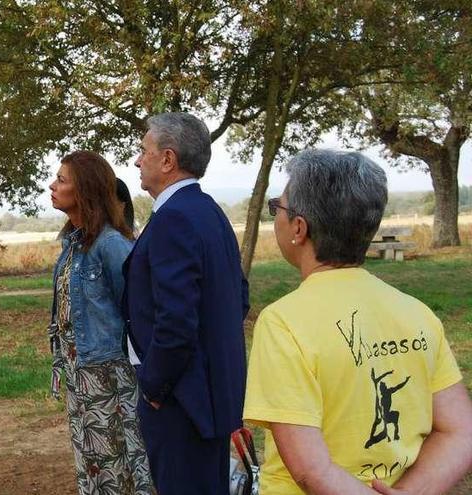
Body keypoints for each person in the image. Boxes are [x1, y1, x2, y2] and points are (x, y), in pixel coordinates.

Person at [243, 149, 472, 494]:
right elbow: (461, 432)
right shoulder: (417, 312)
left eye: (278, 207)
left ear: (299, 228)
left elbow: (310, 469)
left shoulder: (283, 323)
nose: (276, 215)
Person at [123, 112, 249, 494]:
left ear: (167, 159)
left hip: (181, 402)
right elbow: (239, 297)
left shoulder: (174, 219)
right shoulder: (210, 211)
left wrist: (154, 387)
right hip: (211, 394)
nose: (136, 160)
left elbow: (176, 322)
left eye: (143, 151)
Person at [48, 150, 154, 495]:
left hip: (108, 376)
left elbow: (138, 312)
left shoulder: (111, 245)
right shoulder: (73, 244)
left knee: (118, 465)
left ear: (85, 191)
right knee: (92, 462)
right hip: (80, 377)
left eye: (62, 180)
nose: (52, 185)